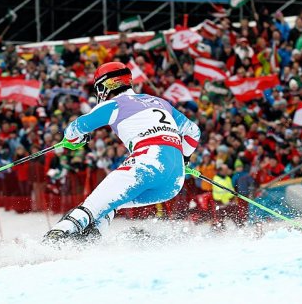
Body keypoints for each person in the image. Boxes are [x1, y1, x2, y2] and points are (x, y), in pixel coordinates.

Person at [44, 62, 201, 242]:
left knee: (94, 205)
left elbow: (75, 129)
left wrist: (74, 141)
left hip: (148, 162)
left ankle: (56, 237)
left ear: (105, 85)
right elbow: (193, 131)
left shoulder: (114, 105)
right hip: (174, 181)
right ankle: (89, 239)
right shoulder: (160, 102)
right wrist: (184, 159)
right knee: (110, 202)